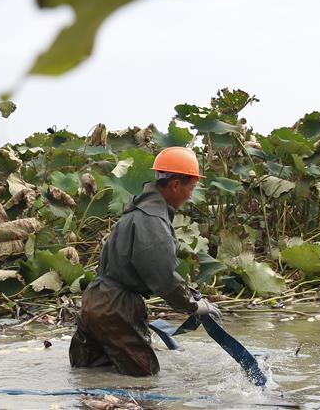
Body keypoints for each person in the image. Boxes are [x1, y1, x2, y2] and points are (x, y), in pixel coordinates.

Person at [68, 146, 221, 376]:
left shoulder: (137, 211)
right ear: (176, 185)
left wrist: (191, 294)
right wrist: (194, 306)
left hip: (94, 300)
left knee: (90, 378)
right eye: (191, 187)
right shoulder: (152, 221)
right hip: (116, 308)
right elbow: (164, 278)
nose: (191, 195)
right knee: (144, 380)